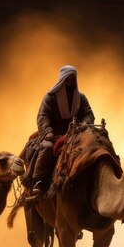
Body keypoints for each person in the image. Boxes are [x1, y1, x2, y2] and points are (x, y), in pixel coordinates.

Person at [31, 65, 95, 195]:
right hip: (53, 134)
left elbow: (88, 113)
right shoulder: (50, 97)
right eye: (68, 80)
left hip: (75, 134)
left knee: (93, 147)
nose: (70, 82)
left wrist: (83, 124)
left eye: (73, 80)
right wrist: (48, 132)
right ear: (62, 79)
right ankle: (39, 181)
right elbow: (43, 116)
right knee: (47, 147)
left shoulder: (81, 98)